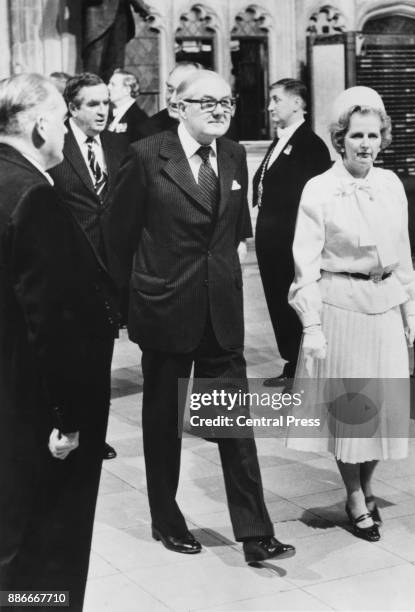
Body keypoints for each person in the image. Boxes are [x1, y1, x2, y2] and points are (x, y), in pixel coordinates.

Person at [122, 70, 295, 563]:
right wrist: (128, 305)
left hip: (220, 311)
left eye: (227, 101)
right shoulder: (145, 156)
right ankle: (165, 517)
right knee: (164, 422)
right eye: (207, 102)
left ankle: (255, 532)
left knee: (233, 421)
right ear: (177, 106)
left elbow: (236, 231)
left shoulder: (236, 154)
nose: (220, 110)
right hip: (165, 308)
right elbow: (118, 238)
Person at [287, 86, 415, 542]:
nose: (365, 144)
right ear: (340, 138)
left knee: (380, 410)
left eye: (373, 135)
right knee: (351, 413)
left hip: (383, 307)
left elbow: (401, 253)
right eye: (356, 135)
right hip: (340, 306)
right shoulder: (320, 189)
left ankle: (367, 487)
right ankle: (354, 496)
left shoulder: (390, 185)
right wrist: (312, 325)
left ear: (382, 138)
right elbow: (304, 261)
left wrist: (411, 309)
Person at [0, 73, 110, 611]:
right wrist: (68, 418)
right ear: (41, 124)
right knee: (48, 541)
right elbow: (50, 322)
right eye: (63, 122)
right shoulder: (33, 197)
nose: (67, 135)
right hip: (34, 406)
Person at [49, 72, 131, 461]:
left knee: (102, 363)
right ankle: (67, 427)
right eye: (93, 104)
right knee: (68, 361)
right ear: (72, 108)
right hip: (68, 274)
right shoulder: (54, 148)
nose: (103, 110)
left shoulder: (118, 145)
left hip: (109, 273)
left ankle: (95, 436)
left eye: (106, 102)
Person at [253, 78, 331, 387]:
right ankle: (292, 363)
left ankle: (306, 368)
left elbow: (315, 200)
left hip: (292, 239)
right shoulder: (281, 140)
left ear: (297, 103)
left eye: (276, 99)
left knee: (296, 299)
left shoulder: (310, 145)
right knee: (277, 301)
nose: (270, 106)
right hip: (272, 239)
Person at [82, 0, 149, 82]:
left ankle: (112, 92)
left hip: (120, 14)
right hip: (97, 16)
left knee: (115, 69)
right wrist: (141, 6)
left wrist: (141, 7)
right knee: (94, 67)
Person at [139, 61, 202, 137]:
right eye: (170, 90)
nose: (172, 100)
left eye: (181, 91)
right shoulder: (149, 131)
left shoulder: (214, 124)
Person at [107, 68, 148, 142]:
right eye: (109, 83)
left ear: (127, 90)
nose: (108, 87)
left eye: (113, 84)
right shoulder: (109, 115)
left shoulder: (138, 119)